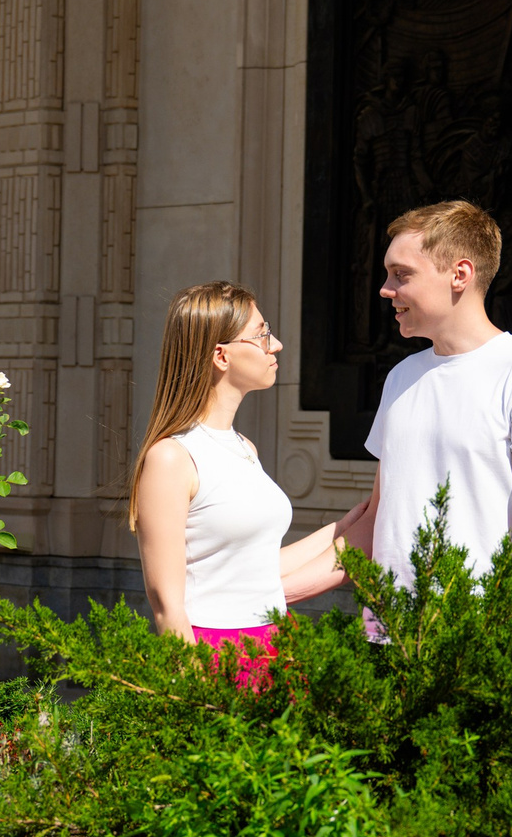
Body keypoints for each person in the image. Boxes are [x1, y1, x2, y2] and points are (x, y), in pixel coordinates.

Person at [129, 283, 350, 686]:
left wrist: (351, 523)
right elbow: (167, 606)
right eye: (262, 334)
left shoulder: (243, 446)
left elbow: (255, 566)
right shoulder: (171, 458)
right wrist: (198, 695)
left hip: (274, 642)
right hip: (215, 654)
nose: (276, 344)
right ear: (221, 355)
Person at [348, 201, 512, 585]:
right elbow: (377, 520)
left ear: (460, 274)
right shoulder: (401, 378)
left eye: (401, 274)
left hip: (476, 634)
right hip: (390, 632)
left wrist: (494, 634)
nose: (386, 290)